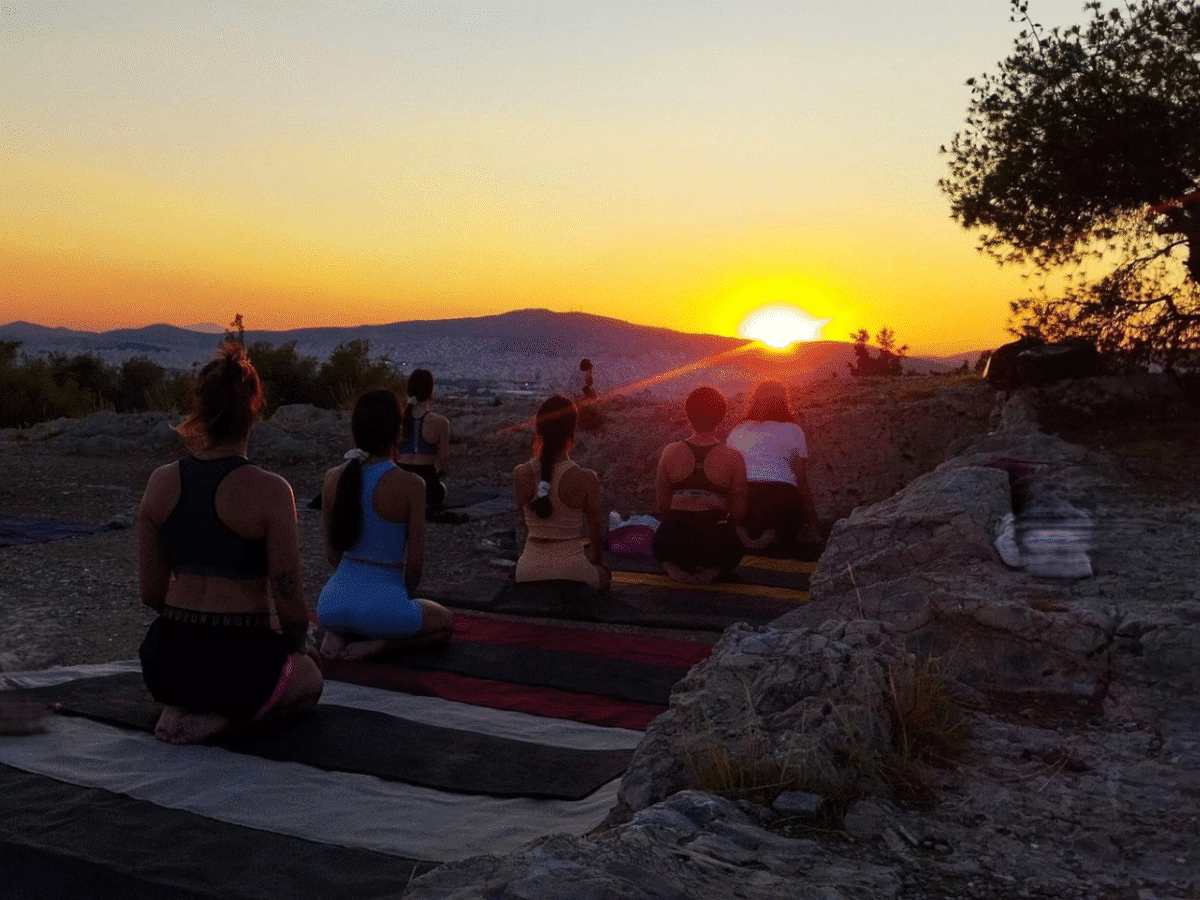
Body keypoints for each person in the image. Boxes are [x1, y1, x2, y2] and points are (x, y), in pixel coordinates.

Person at [138, 342, 323, 745]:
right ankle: (224, 722)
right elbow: (290, 605)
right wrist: (295, 650)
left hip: (165, 660)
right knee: (308, 678)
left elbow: (151, 593)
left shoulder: (159, 482)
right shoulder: (272, 491)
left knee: (194, 676)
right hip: (235, 660)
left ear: (199, 410)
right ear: (255, 408)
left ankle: (180, 706)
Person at [317, 389, 455, 660]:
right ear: (397, 431)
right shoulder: (412, 485)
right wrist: (396, 602)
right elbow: (415, 565)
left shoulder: (333, 478)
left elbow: (331, 553)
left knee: (354, 612)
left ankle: (338, 631)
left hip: (331, 603)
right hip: (383, 606)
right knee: (444, 622)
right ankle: (383, 644)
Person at [513, 395, 611, 590]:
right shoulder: (586, 478)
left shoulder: (521, 473)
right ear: (572, 430)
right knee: (604, 576)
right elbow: (595, 530)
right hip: (572, 571)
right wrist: (596, 562)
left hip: (527, 572)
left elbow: (525, 525)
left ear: (538, 429)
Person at [652, 386, 747, 582]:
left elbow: (662, 505)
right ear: (721, 416)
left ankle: (673, 567)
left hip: (673, 541)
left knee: (661, 541)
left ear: (688, 415)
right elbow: (739, 512)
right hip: (713, 542)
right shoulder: (733, 457)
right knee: (734, 547)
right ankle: (712, 571)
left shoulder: (670, 452)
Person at [725, 379, 820, 552]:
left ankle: (742, 533)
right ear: (783, 402)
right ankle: (772, 534)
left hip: (748, 496)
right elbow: (801, 479)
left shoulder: (738, 431)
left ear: (754, 401)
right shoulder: (793, 430)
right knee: (786, 519)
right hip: (782, 495)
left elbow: (728, 476)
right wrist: (814, 527)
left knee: (742, 514)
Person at [395, 368, 450, 512]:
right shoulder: (441, 422)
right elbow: (444, 462)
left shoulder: (399, 419)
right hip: (427, 486)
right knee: (442, 489)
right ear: (430, 391)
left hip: (400, 483)